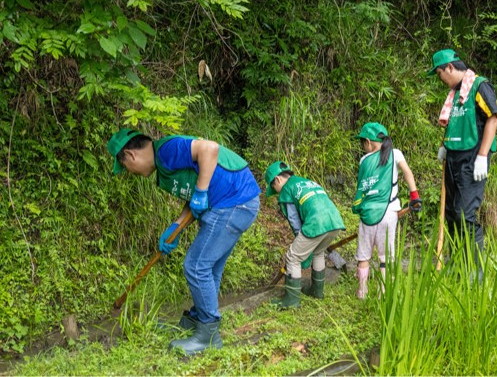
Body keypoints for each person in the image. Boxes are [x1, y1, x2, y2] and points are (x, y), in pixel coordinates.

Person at [107, 128, 260, 355]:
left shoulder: (167, 150)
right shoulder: (163, 166)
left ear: (130, 155)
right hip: (233, 202)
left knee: (196, 266)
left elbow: (209, 149)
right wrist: (176, 227)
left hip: (234, 201)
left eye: (126, 168)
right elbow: (195, 193)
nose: (130, 173)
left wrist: (200, 192)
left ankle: (208, 335)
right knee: (210, 267)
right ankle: (198, 319)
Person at [427, 49, 497, 282]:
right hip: (453, 159)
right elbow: (454, 123)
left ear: (449, 67)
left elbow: (493, 117)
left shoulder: (479, 86)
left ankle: (474, 273)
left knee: (465, 215)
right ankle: (458, 266)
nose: (441, 80)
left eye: (440, 74)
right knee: (451, 215)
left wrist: (482, 155)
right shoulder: (454, 94)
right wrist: (445, 146)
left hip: (472, 160)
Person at [352, 122, 421, 299]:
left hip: (367, 214)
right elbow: (407, 172)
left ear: (368, 141)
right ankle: (384, 293)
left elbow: (360, 189)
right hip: (389, 212)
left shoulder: (363, 160)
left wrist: (359, 208)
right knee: (386, 256)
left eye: (362, 143)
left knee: (363, 256)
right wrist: (414, 196)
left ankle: (362, 293)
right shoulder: (395, 154)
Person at [264, 161, 345, 308]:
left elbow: (295, 223)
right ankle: (317, 291)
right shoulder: (306, 182)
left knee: (293, 257)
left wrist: (301, 250)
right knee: (318, 252)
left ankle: (292, 301)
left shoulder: (286, 190)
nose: (276, 192)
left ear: (277, 180)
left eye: (273, 188)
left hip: (316, 223)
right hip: (335, 221)